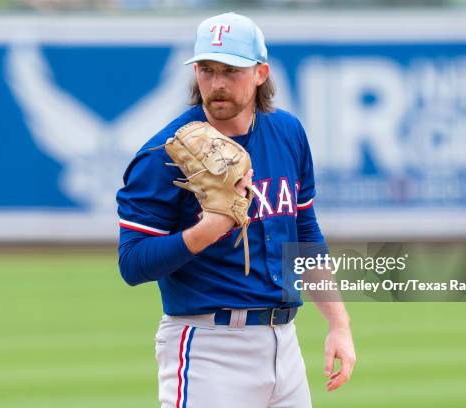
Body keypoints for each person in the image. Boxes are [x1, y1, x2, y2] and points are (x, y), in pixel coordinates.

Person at [116, 12, 355, 408]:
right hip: (208, 348)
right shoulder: (164, 155)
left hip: (284, 344)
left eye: (231, 70)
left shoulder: (288, 133)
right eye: (207, 70)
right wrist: (210, 228)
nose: (217, 84)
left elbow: (306, 234)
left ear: (261, 72)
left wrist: (339, 324)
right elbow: (133, 263)